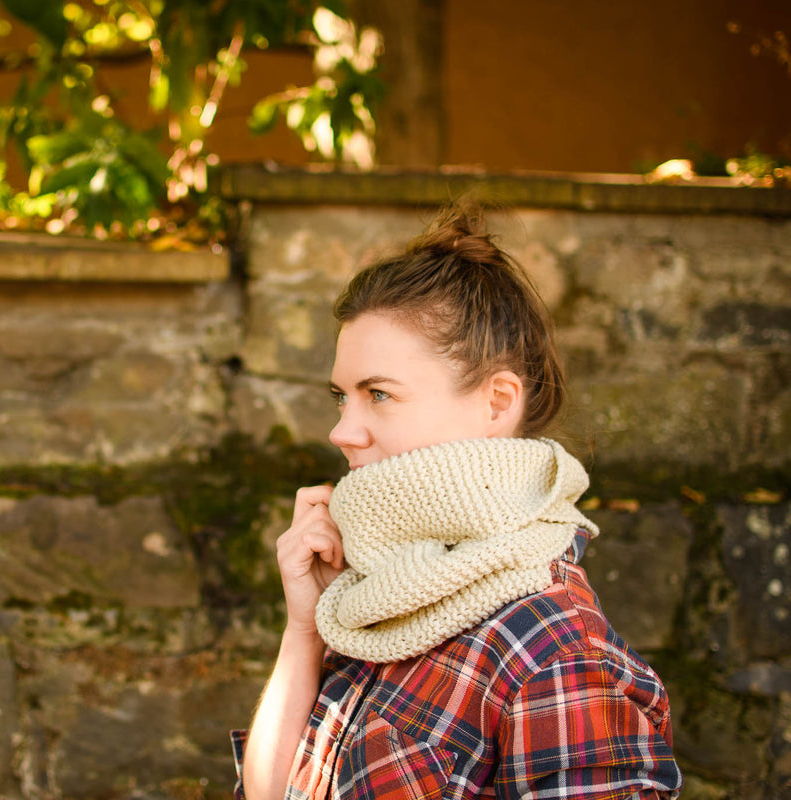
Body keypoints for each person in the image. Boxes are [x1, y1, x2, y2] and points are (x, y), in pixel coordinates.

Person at [232, 203, 682, 799]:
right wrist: (304, 630)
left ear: (497, 403)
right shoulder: (378, 593)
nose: (343, 430)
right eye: (342, 397)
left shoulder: (555, 651)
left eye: (380, 394)